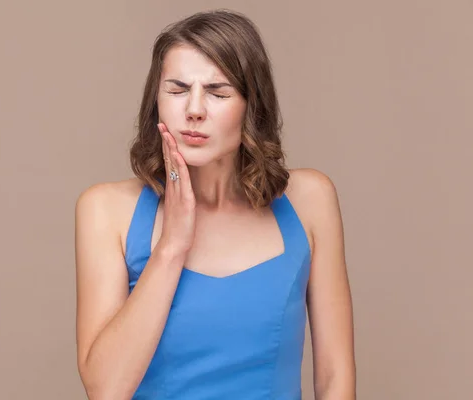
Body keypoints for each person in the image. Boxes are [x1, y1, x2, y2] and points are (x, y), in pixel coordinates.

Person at [75, 9, 356, 400]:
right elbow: (105, 390)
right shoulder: (106, 211)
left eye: (217, 92)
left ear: (251, 105)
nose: (194, 109)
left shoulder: (311, 201)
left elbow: (334, 377)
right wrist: (172, 246)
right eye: (176, 90)